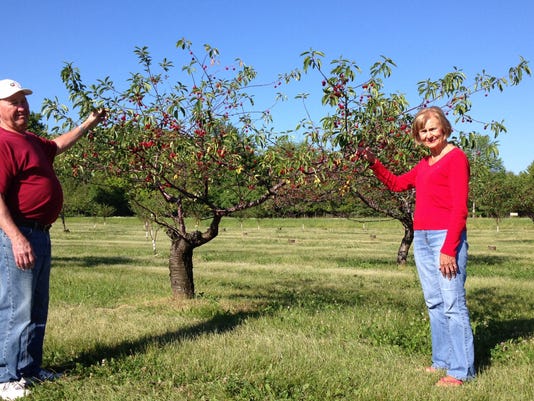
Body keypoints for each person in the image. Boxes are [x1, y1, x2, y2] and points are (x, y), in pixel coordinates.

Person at [0, 78, 105, 400]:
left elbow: (58, 144)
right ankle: (5, 376)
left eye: (23, 101)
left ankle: (30, 369)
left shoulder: (29, 139)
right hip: (19, 232)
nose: (21, 107)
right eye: (13, 102)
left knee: (36, 308)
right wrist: (16, 237)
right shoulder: (3, 142)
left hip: (39, 233)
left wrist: (89, 122)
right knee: (16, 307)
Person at [358, 106, 475, 387]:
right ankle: (441, 362)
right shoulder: (425, 164)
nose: (429, 134)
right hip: (422, 238)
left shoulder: (456, 158)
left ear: (444, 128)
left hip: (445, 238)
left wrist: (449, 248)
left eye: (433, 128)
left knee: (452, 304)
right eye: (423, 131)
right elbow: (398, 184)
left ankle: (460, 371)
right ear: (418, 137)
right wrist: (374, 162)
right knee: (435, 303)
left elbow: (460, 208)